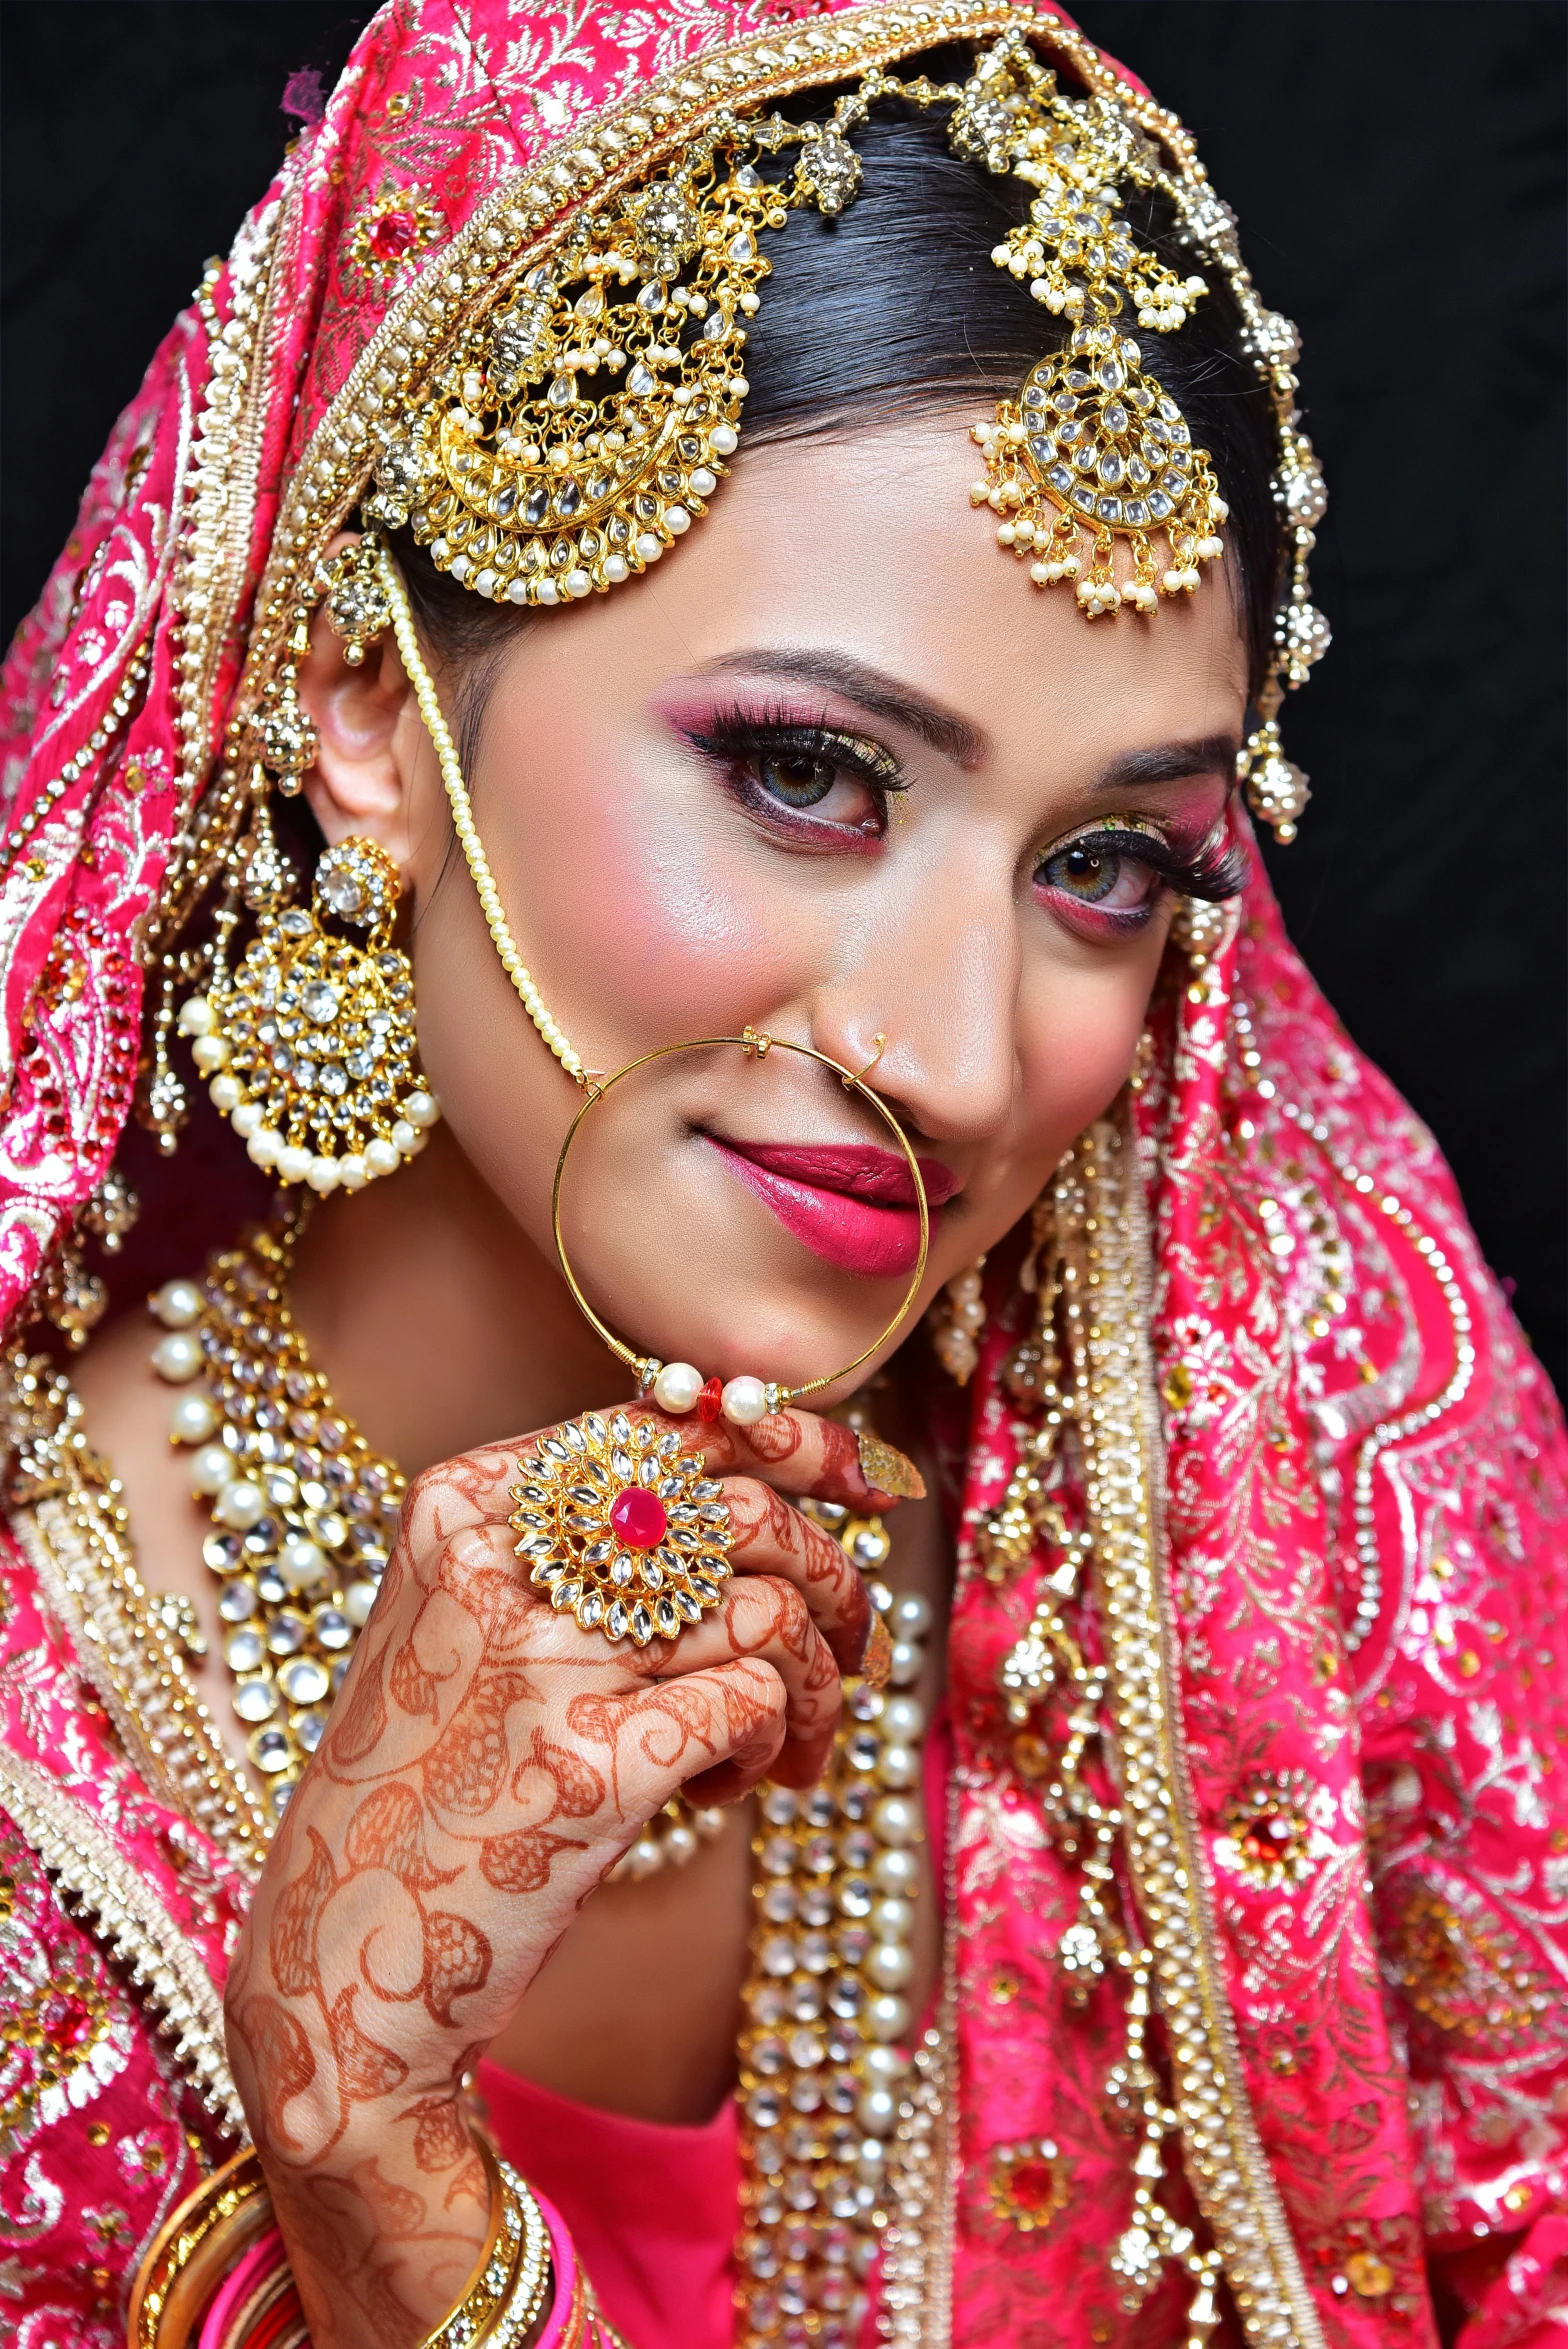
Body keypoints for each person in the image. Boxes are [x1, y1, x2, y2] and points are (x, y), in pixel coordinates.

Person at [0, 2, 1561, 2345]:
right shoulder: (42, 1740)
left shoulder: (1296, 1545)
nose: (949, 1057)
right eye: (812, 776)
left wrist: (399, 2183)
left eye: (1112, 863)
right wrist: (336, 2115)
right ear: (363, 711)